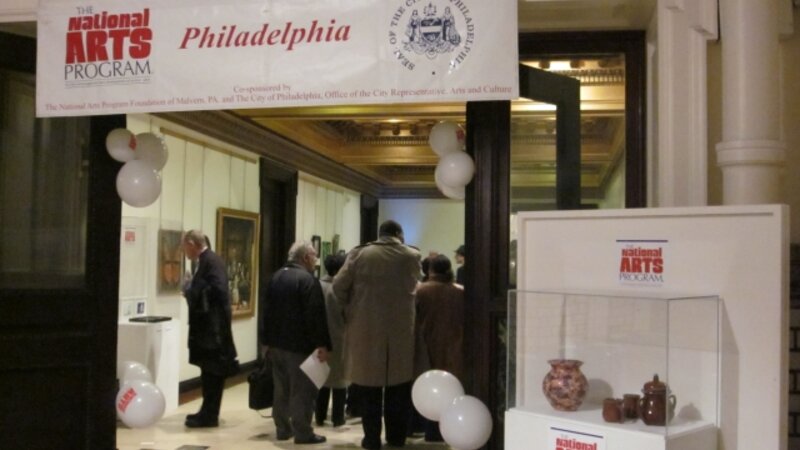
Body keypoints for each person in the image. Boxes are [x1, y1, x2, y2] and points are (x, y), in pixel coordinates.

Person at [333, 220, 421, 450]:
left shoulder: (359, 254)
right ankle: (396, 437)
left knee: (369, 390)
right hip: (402, 333)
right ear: (399, 234)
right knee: (398, 390)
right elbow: (416, 286)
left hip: (366, 331)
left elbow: (338, 287)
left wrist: (351, 310)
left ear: (380, 234)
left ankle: (371, 439)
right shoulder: (411, 255)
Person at [260, 241, 332, 445]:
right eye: (314, 256)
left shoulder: (276, 277)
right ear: (306, 257)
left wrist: (265, 341)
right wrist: (322, 345)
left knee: (281, 389)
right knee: (302, 391)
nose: (316, 260)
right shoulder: (307, 280)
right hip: (300, 346)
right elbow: (315, 316)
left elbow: (266, 312)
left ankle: (283, 428)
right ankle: (303, 432)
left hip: (276, 345)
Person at [181, 229, 239, 428]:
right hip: (209, 329)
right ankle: (206, 411)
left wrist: (192, 290)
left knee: (213, 373)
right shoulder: (206, 261)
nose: (184, 251)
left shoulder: (211, 261)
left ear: (192, 244)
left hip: (212, 330)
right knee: (208, 373)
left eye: (185, 247)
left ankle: (209, 414)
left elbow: (219, 291)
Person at [414, 254, 465, 441]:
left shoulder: (420, 291)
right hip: (455, 346)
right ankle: (448, 429)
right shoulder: (460, 292)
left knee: (427, 389)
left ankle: (425, 428)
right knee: (449, 389)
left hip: (426, 345)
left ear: (430, 270)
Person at [315, 252, 348, 427]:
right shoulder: (342, 289)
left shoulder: (317, 285)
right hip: (340, 337)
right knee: (340, 380)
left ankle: (319, 415)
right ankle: (338, 417)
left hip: (320, 338)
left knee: (322, 379)